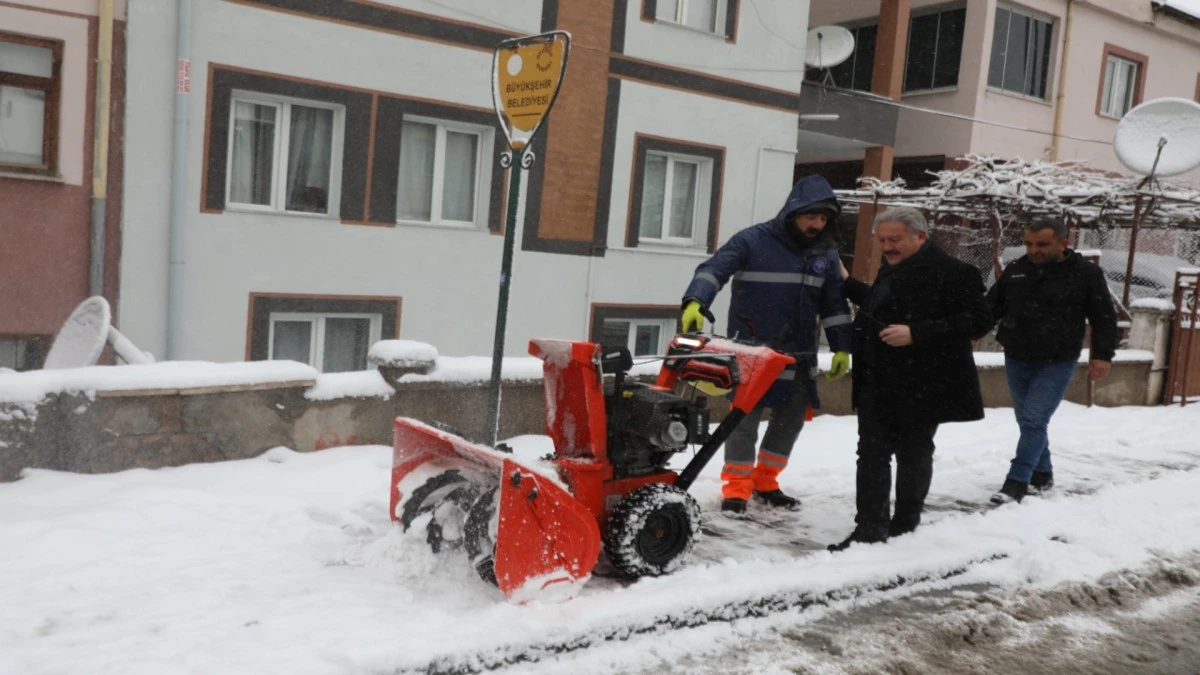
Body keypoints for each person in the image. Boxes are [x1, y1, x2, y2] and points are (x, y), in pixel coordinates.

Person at [680, 175, 853, 517]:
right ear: (793, 213)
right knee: (743, 422)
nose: (817, 224)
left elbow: (834, 305)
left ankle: (766, 482)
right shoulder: (753, 240)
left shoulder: (826, 253)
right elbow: (714, 269)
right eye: (811, 216)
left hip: (799, 355)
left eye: (823, 218)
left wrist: (842, 347)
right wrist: (696, 301)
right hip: (752, 353)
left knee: (790, 422)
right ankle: (737, 487)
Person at [829, 206, 992, 551]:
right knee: (871, 454)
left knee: (913, 453)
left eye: (895, 239)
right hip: (877, 379)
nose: (887, 247)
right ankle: (870, 529)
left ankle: (905, 525)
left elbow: (978, 321)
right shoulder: (892, 268)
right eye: (882, 240)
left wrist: (916, 333)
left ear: (920, 236)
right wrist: (847, 283)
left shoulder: (955, 272)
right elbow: (880, 306)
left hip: (924, 382)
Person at [986, 218, 1117, 504]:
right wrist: (966, 330)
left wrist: (1102, 356)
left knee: (1034, 419)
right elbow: (991, 307)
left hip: (1057, 359)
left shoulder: (1086, 273)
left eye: (1042, 244)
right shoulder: (1017, 270)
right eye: (1029, 244)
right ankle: (1042, 474)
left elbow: (1104, 317)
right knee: (1027, 420)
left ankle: (1016, 481)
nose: (1034, 250)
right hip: (1017, 356)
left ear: (1063, 243)